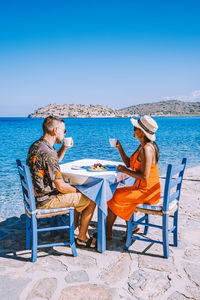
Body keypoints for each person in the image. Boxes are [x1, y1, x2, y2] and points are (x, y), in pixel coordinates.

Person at [26, 115, 96, 248]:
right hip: (45, 200)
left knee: (76, 194)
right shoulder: (48, 153)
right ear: (55, 130)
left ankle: (74, 228)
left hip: (35, 198)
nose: (65, 133)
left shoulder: (37, 145)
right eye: (64, 131)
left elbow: (52, 163)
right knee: (91, 199)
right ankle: (81, 237)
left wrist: (64, 148)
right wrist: (81, 190)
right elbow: (62, 187)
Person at [106, 115, 161, 240]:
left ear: (142, 132)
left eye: (135, 128)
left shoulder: (147, 150)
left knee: (113, 196)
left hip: (148, 193)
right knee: (115, 193)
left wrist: (124, 171)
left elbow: (144, 176)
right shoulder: (142, 146)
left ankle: (108, 232)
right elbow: (130, 164)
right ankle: (130, 226)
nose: (133, 130)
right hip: (143, 189)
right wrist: (120, 148)